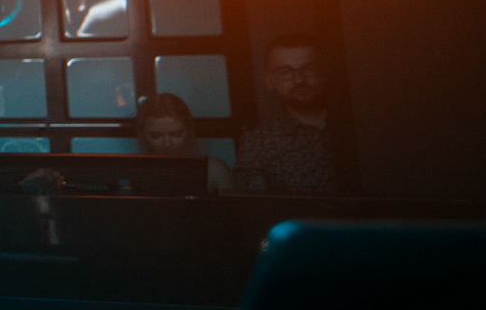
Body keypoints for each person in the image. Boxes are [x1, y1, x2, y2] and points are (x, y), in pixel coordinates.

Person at [235, 33, 338, 194]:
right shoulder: (258, 142)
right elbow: (253, 203)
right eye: (285, 72)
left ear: (324, 73)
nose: (299, 80)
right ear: (269, 81)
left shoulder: (360, 126)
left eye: (309, 69)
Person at [135, 92, 234, 194]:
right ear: (144, 135)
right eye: (156, 136)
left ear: (188, 131)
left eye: (176, 134)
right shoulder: (134, 172)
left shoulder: (214, 170)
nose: (167, 144)